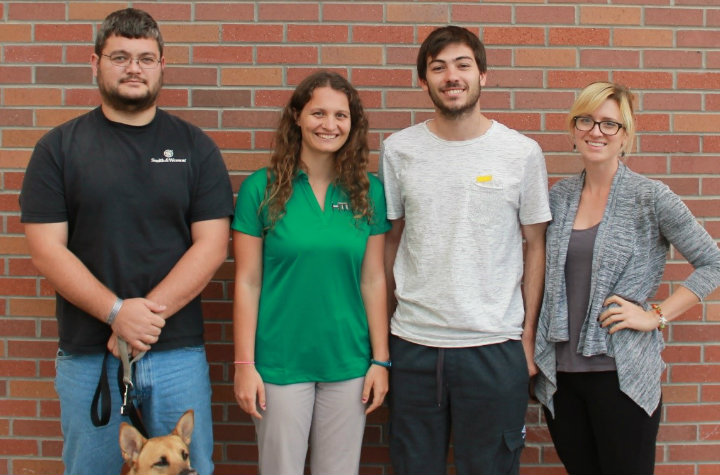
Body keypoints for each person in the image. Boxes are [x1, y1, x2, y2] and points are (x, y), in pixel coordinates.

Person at [19, 8, 233, 475]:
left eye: (145, 58)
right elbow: (46, 250)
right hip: (89, 356)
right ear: (94, 63)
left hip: (175, 350)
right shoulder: (58, 150)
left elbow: (213, 246)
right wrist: (116, 314)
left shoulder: (196, 147)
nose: (134, 67)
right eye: (120, 56)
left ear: (162, 65)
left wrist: (142, 318)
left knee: (188, 468)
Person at [379, 26, 551, 475]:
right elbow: (391, 238)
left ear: (483, 76)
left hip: (493, 347)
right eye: (438, 68)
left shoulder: (521, 153)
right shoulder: (398, 150)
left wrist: (527, 338)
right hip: (414, 346)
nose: (451, 76)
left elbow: (536, 246)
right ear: (424, 82)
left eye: (462, 65)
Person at [534, 82, 720, 475]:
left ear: (626, 136)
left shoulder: (651, 197)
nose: (595, 131)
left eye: (609, 124)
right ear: (572, 130)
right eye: (586, 120)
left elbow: (712, 263)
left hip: (621, 376)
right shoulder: (559, 197)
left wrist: (656, 315)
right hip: (562, 377)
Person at [231, 70, 390, 475]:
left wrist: (381, 360)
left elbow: (373, 279)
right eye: (318, 113)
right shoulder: (260, 189)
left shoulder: (368, 191)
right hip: (279, 364)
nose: (329, 125)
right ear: (297, 117)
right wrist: (244, 365)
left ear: (353, 125)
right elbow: (247, 282)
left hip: (348, 363)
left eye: (341, 115)